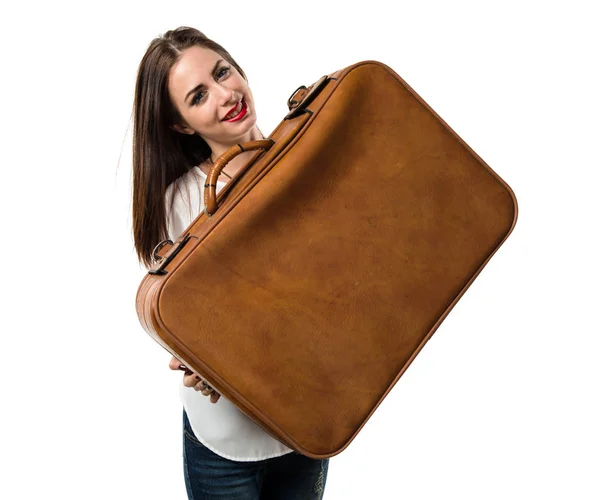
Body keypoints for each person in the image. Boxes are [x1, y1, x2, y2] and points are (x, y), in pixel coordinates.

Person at [131, 26, 329, 499]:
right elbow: (178, 319)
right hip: (223, 442)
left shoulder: (312, 153)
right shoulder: (179, 203)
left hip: (307, 420)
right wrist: (194, 357)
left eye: (223, 73)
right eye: (199, 96)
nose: (225, 95)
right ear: (182, 124)